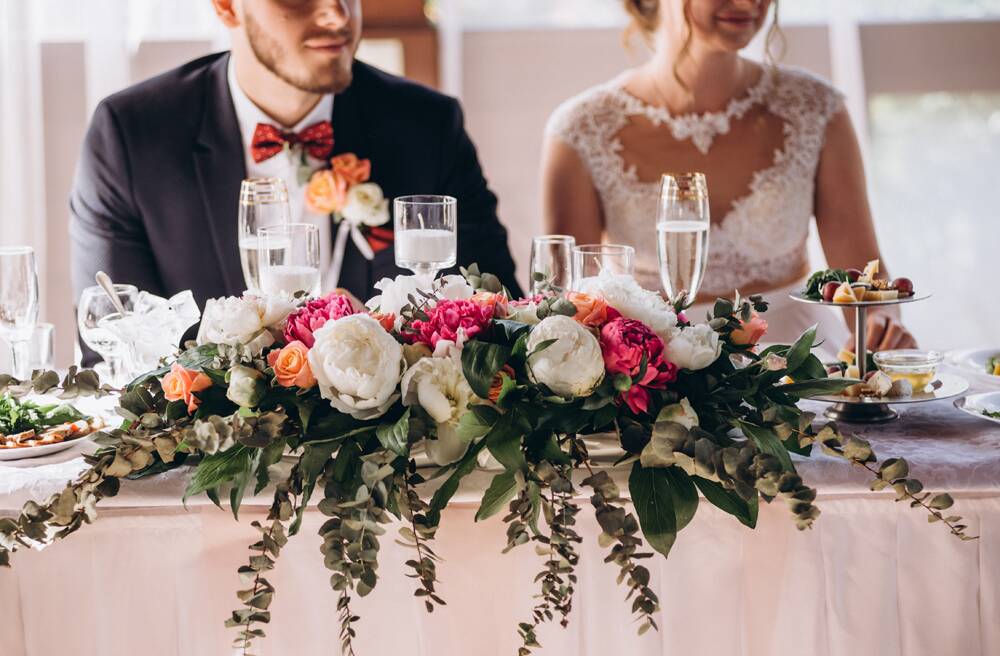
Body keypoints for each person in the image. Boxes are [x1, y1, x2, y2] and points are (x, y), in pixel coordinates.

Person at [70, 0, 521, 332]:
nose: (338, 14)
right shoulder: (132, 136)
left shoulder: (427, 127)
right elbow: (115, 340)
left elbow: (500, 316)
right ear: (227, 7)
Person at [541, 0, 915, 352]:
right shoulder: (581, 130)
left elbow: (863, 276)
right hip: (653, 379)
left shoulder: (816, 110)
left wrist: (882, 321)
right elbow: (569, 305)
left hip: (798, 367)